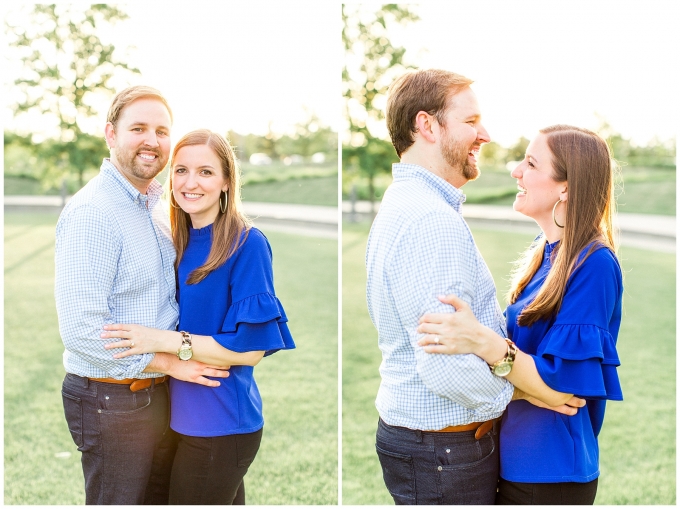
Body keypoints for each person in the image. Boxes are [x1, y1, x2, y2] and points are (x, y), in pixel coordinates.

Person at [365, 69, 584, 505]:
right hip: (443, 454)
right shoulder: (430, 221)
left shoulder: (409, 204)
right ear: (427, 125)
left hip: (430, 449)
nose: (484, 134)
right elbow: (445, 367)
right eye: (470, 122)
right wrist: (528, 388)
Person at [417, 125, 623, 504]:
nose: (516, 171)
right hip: (509, 458)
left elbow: (564, 385)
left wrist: (482, 340)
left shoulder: (594, 264)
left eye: (530, 163)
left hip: (550, 469)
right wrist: (518, 387)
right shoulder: (543, 250)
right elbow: (532, 374)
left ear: (567, 186)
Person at [55, 86, 231, 505]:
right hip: (110, 399)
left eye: (162, 130)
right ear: (111, 134)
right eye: (138, 128)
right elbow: (82, 331)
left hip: (158, 394)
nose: (152, 140)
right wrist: (172, 360)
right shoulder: (92, 214)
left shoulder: (154, 208)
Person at [100, 129, 295, 505]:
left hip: (221, 423)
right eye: (181, 170)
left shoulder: (247, 243)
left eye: (206, 172)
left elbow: (250, 350)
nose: (191, 183)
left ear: (225, 182)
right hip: (174, 418)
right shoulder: (177, 237)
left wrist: (163, 341)